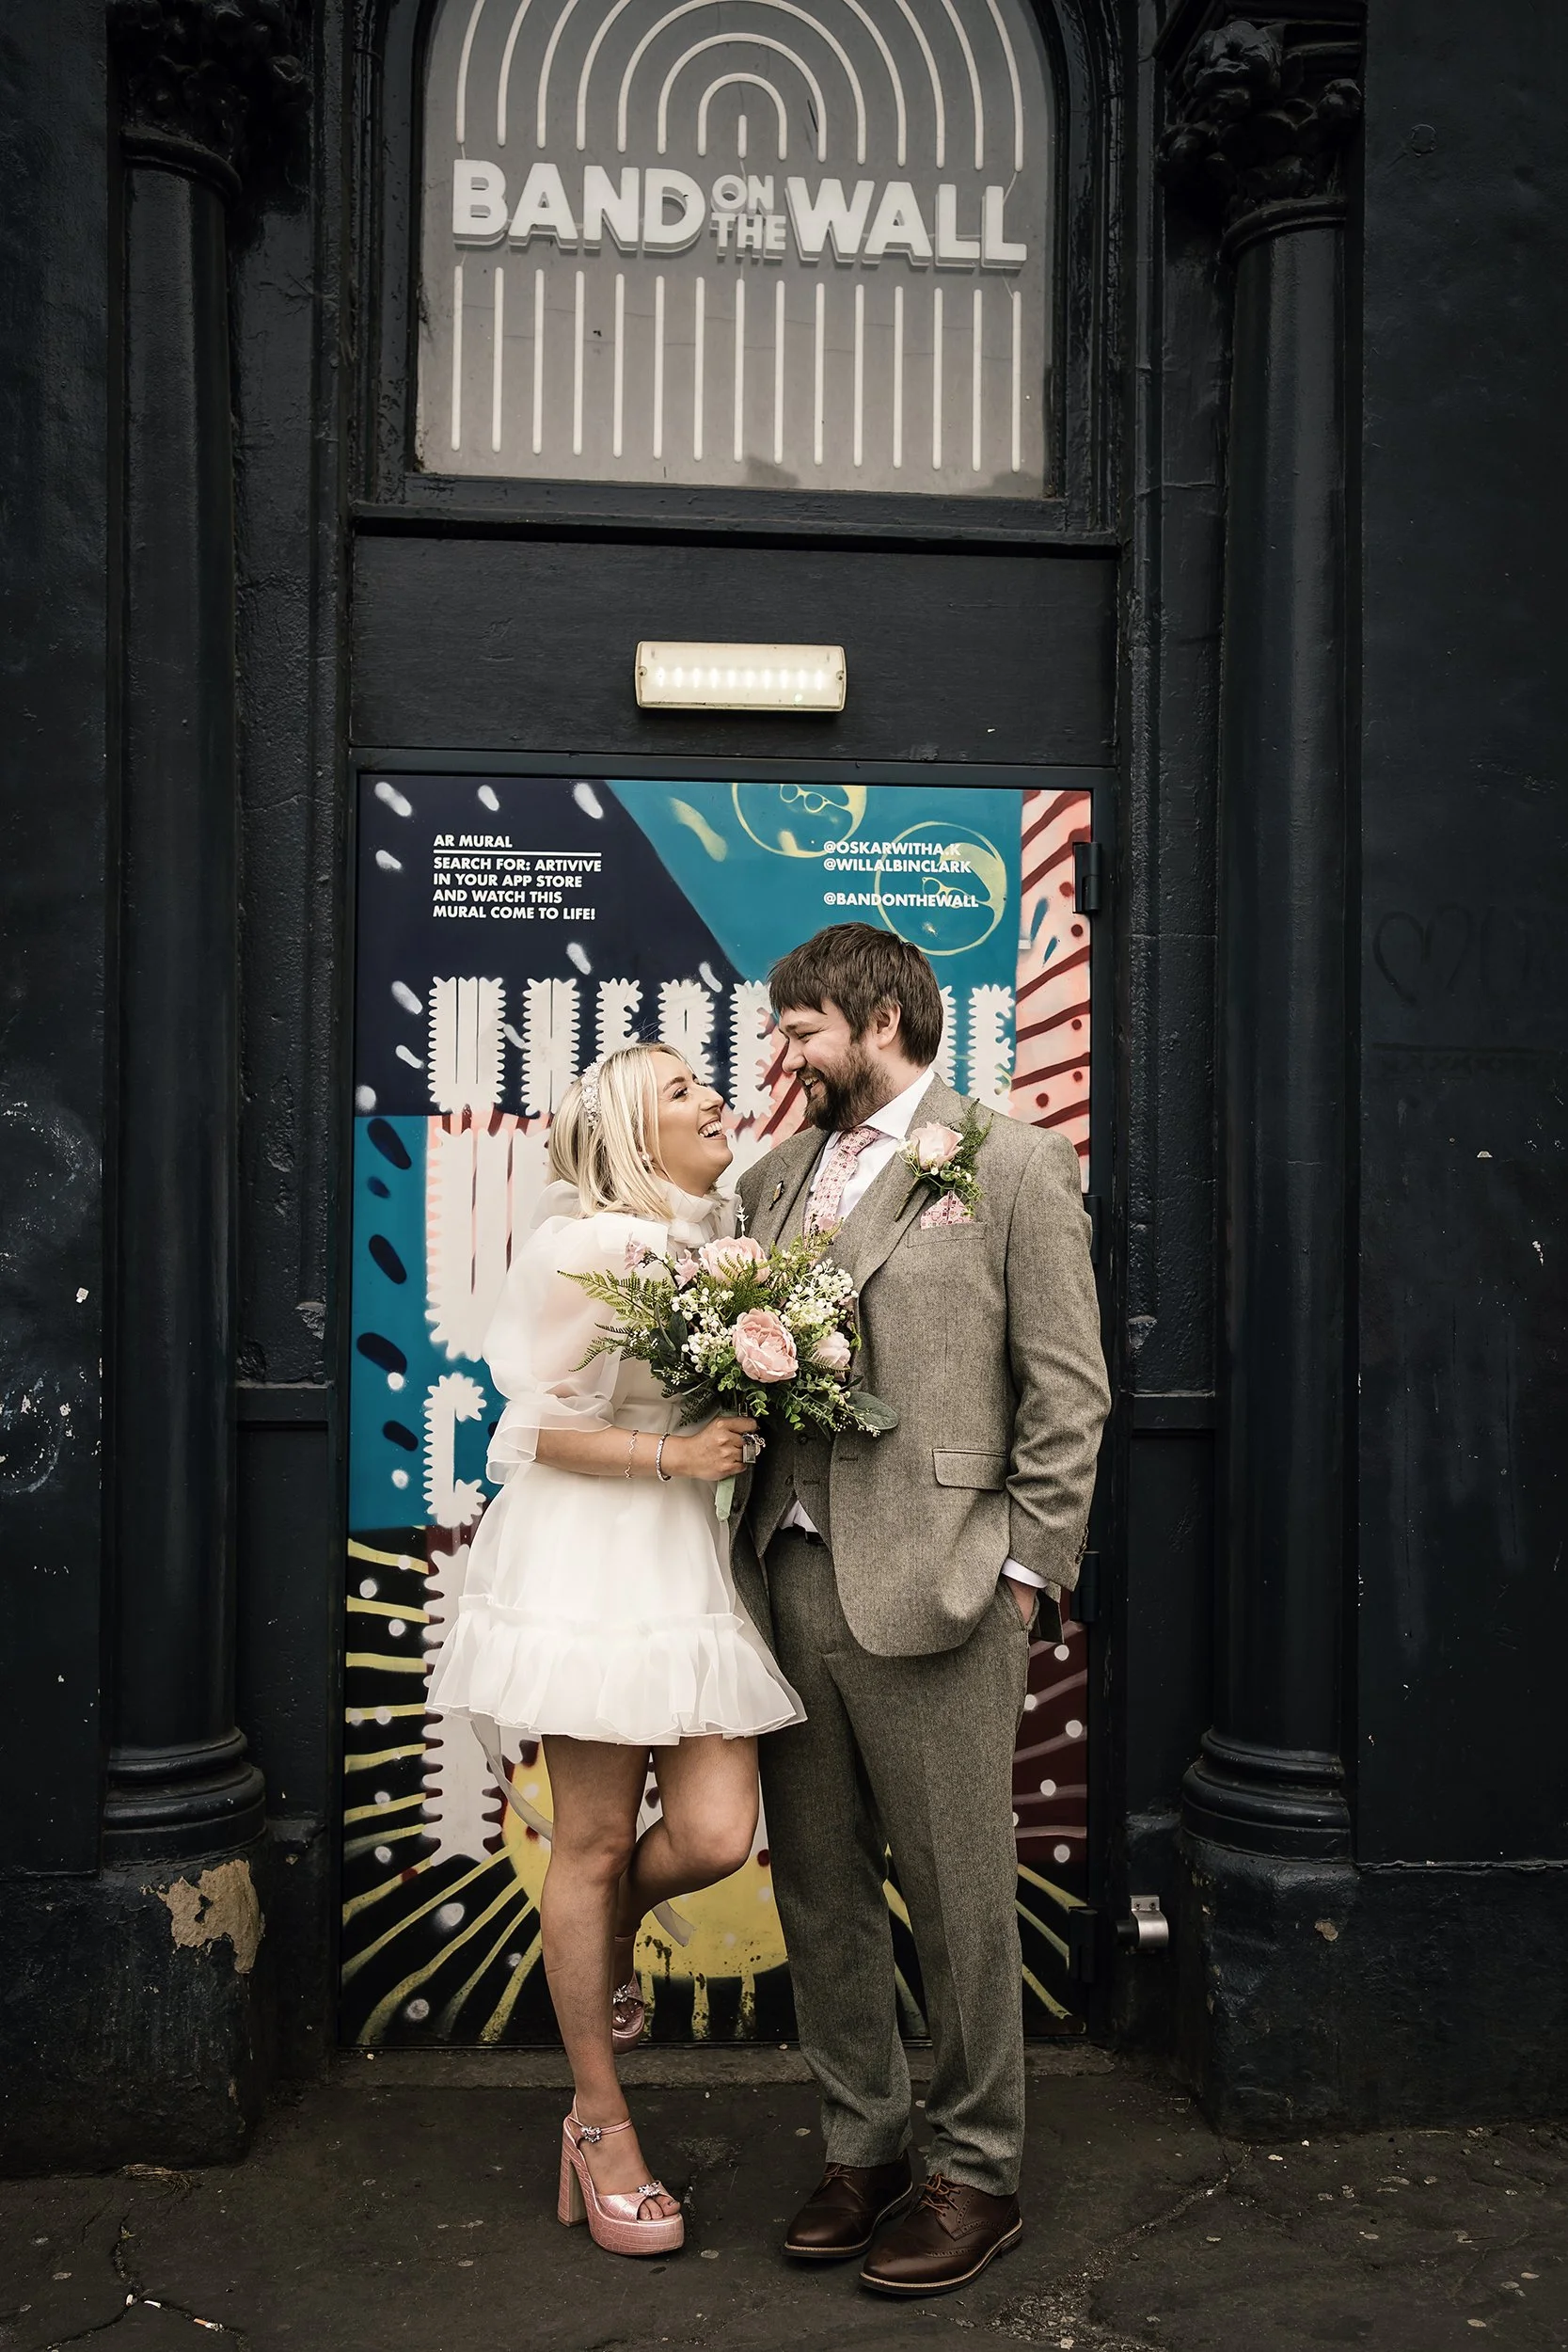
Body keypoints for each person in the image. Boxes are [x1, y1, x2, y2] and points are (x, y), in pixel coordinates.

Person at [732, 924, 1110, 2298]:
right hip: (782, 1572)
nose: (782, 1055)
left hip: (945, 1585)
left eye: (802, 1030)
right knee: (820, 1889)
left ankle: (974, 2169)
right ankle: (865, 2142)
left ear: (880, 1016)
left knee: (957, 1898)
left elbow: (1067, 1391)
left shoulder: (1009, 1162)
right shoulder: (770, 1180)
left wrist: (1021, 1572)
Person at [427, 1042, 803, 2260]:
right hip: (591, 1558)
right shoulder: (581, 1247)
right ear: (637, 1138)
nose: (714, 1098)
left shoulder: (719, 1243)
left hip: (684, 1565)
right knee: (587, 1841)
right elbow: (529, 1432)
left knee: (709, 1834)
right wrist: (672, 1456)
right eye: (684, 1092)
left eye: (706, 1083)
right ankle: (598, 2124)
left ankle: (598, 1936)